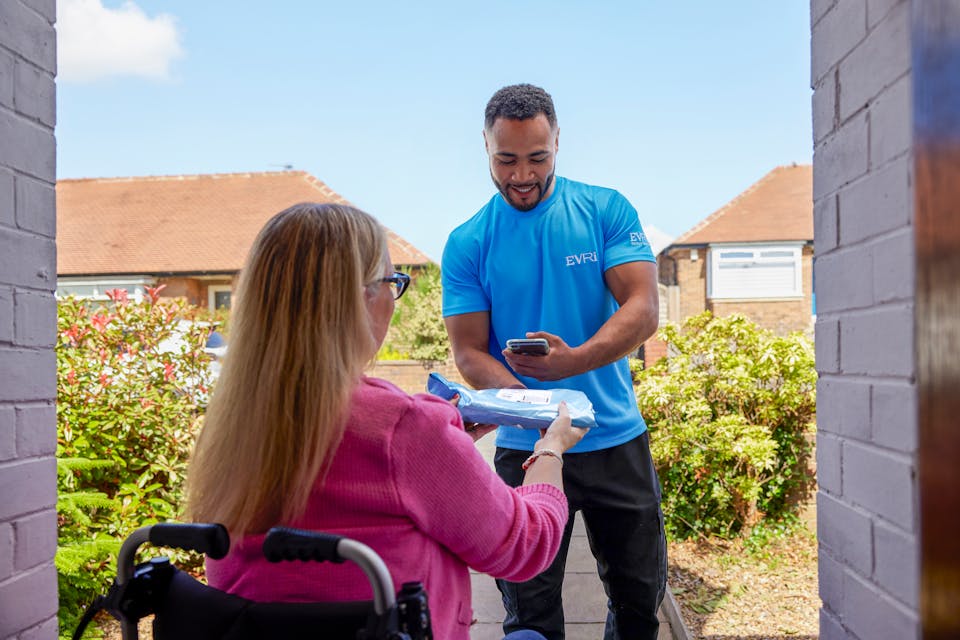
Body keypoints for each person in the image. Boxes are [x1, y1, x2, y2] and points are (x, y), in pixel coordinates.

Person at [185, 202, 587, 640]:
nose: (393, 301)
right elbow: (525, 546)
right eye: (392, 283)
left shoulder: (231, 424)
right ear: (360, 298)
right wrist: (550, 449)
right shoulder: (403, 427)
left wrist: (446, 453)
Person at [441, 84, 667, 640]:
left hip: (616, 440)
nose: (522, 175)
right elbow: (468, 349)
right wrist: (540, 407)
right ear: (485, 149)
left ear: (558, 142)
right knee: (530, 617)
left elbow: (643, 308)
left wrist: (576, 364)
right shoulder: (468, 241)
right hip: (525, 451)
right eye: (507, 159)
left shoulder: (604, 209)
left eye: (537, 158)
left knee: (639, 605)